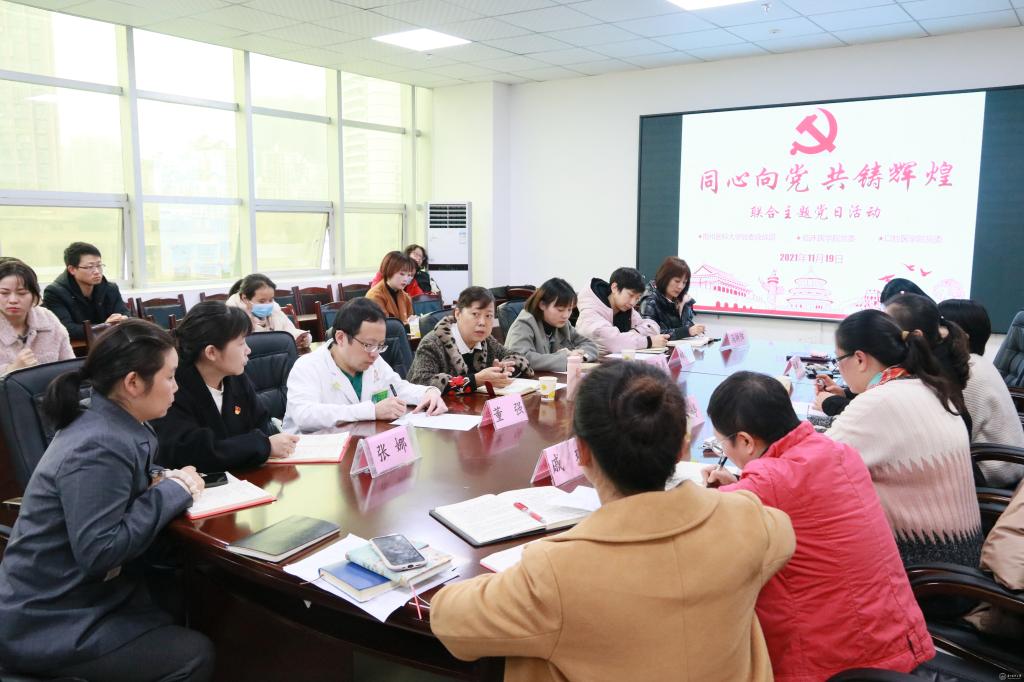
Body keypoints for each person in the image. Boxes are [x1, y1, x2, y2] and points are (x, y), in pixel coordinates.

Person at [430, 361, 795, 682]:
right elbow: (782, 532)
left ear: (581, 452)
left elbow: (448, 619)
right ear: (682, 449)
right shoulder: (748, 520)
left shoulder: (555, 572)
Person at [0, 319, 214, 680]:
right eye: (170, 377)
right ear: (133, 383)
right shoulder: (97, 445)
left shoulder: (113, 418)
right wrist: (173, 490)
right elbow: (100, 552)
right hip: (49, 618)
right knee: (194, 654)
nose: (176, 387)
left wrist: (162, 479)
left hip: (86, 595)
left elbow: (132, 475)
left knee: (193, 599)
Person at [702, 372, 934, 680]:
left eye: (722, 445)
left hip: (835, 666)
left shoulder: (767, 484)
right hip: (897, 641)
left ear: (745, 441)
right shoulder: (838, 452)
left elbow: (696, 524)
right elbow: (796, 496)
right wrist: (737, 484)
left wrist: (729, 490)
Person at [824, 309, 982, 567]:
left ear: (860, 359)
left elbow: (812, 465)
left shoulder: (879, 401)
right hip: (961, 557)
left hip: (925, 565)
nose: (839, 367)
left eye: (838, 358)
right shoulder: (928, 385)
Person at [152, 301, 299, 473]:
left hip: (245, 476)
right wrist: (261, 446)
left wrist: (258, 445)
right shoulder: (174, 388)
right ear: (211, 352)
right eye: (241, 343)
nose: (248, 350)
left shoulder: (236, 378)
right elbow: (193, 453)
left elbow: (261, 426)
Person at [283, 298, 447, 432]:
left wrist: (428, 392)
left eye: (380, 345)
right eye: (368, 345)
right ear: (340, 338)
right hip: (313, 455)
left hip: (359, 443)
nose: (375, 353)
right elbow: (305, 416)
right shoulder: (308, 366)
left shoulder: (373, 359)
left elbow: (398, 388)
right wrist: (371, 411)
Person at [815, 292, 972, 421]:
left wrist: (831, 403)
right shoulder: (923, 365)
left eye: (888, 326)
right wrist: (846, 394)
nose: (880, 330)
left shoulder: (930, 375)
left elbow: (877, 416)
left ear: (916, 335)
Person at [939, 298, 1024, 487]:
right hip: (1001, 459)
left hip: (994, 469)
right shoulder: (977, 362)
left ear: (961, 336)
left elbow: (950, 433)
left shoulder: (966, 373)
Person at [407, 286, 530, 395]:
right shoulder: (432, 343)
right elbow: (421, 382)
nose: (482, 322)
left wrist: (504, 369)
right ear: (458, 314)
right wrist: (475, 380)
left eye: (488, 316)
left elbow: (519, 358)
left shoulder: (486, 341)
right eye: (475, 314)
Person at [504, 278, 598, 372]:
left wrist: (581, 357)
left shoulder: (563, 324)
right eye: (560, 310)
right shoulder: (524, 324)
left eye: (569, 309)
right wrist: (566, 358)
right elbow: (521, 358)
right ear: (542, 305)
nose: (566, 315)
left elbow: (589, 345)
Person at [42, 241, 130, 341]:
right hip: (76, 347)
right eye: (90, 267)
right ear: (72, 269)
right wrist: (105, 327)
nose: (97, 271)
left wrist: (122, 319)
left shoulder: (110, 288)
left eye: (99, 265)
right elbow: (67, 329)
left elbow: (125, 313)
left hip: (109, 343)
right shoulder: (54, 293)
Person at [0, 258, 74, 375]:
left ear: (34, 296)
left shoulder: (48, 319)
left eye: (22, 293)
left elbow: (70, 368)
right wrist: (11, 370)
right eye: (4, 293)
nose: (13, 300)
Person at [576, 267, 668, 354]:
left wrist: (635, 332)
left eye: (637, 298)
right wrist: (649, 341)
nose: (633, 303)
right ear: (614, 288)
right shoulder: (590, 310)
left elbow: (652, 326)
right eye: (630, 295)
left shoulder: (625, 309)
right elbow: (613, 342)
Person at [226, 273, 310, 351]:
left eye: (270, 300)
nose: (268, 304)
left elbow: (289, 330)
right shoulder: (232, 317)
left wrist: (301, 338)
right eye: (261, 301)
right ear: (245, 298)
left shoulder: (275, 310)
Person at [638, 256, 706, 339]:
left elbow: (688, 326)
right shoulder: (650, 301)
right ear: (665, 278)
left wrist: (696, 329)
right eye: (677, 281)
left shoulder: (683, 301)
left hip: (682, 346)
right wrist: (687, 331)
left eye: (684, 282)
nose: (681, 286)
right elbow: (650, 334)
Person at [365, 251, 416, 324]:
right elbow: (384, 325)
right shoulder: (375, 296)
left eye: (409, 275)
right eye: (402, 274)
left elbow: (410, 320)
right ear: (389, 271)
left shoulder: (406, 297)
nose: (406, 279)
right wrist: (407, 324)